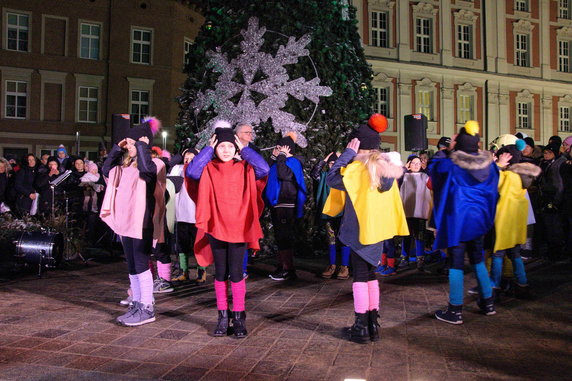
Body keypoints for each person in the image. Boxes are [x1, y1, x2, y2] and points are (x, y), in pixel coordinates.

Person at [324, 115, 409, 343]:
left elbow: (331, 178)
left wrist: (347, 154)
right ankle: (373, 324)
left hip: (360, 230)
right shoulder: (385, 170)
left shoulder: (356, 171)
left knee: (360, 277)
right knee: (370, 275)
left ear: (359, 146)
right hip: (378, 230)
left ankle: (361, 326)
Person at [186, 125, 269, 338]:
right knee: (221, 273)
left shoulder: (245, 167)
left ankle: (239, 317)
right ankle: (223, 317)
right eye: (221, 146)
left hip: (239, 229)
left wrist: (245, 149)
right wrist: (207, 149)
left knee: (237, 273)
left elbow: (264, 169)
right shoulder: (208, 168)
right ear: (215, 148)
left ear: (236, 148)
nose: (225, 150)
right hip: (216, 227)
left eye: (229, 146)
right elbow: (192, 171)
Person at [429, 121, 499, 325]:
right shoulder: (490, 165)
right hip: (479, 220)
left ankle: (455, 309)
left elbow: (435, 169)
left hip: (457, 220)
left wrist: (448, 151)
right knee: (477, 259)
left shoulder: (451, 164)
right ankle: (488, 303)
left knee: (456, 263)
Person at [100, 117, 166, 327]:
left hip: (143, 222)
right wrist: (117, 149)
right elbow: (105, 170)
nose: (128, 146)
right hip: (126, 222)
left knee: (141, 264)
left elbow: (147, 172)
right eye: (127, 143)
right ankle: (137, 304)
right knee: (132, 267)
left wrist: (141, 147)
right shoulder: (125, 168)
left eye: (131, 142)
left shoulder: (155, 163)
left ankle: (147, 307)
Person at [490, 143, 540, 299]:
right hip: (517, 225)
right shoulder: (522, 177)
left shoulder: (507, 176)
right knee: (516, 256)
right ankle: (523, 285)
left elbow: (490, 182)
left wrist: (497, 165)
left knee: (497, 257)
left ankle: (494, 287)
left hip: (504, 223)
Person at [266, 133, 307, 281]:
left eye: (279, 147)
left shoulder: (293, 162)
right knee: (280, 237)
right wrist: (273, 157)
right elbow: (265, 171)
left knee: (284, 237)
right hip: (277, 204)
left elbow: (284, 175)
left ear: (286, 148)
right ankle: (282, 265)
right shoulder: (280, 161)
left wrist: (282, 156)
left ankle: (288, 269)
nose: (277, 150)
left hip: (286, 203)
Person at [310, 151, 351, 280]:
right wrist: (325, 159)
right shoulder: (324, 176)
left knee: (345, 240)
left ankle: (344, 266)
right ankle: (332, 265)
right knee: (331, 240)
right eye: (331, 163)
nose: (333, 165)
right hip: (328, 213)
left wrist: (342, 159)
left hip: (343, 213)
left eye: (336, 163)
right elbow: (314, 173)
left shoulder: (346, 176)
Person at [170, 148, 201, 283]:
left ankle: (202, 271)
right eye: (186, 158)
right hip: (181, 213)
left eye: (191, 158)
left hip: (196, 214)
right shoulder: (177, 168)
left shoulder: (200, 169)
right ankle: (184, 271)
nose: (188, 160)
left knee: (198, 245)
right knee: (182, 245)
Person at [397, 155, 432, 271]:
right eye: (413, 163)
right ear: (409, 164)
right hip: (406, 210)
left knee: (419, 236)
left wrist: (427, 169)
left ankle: (420, 259)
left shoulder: (425, 176)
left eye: (418, 163)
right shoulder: (404, 176)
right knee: (406, 235)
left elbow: (432, 183)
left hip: (419, 211)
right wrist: (403, 169)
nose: (416, 165)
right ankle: (404, 257)